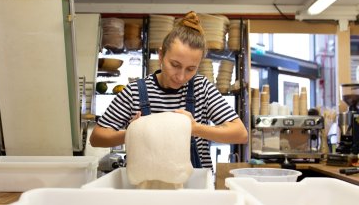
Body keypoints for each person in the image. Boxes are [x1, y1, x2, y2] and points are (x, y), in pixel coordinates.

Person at [90, 11, 248, 169]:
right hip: (147, 186)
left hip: (193, 187)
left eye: (190, 69)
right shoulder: (135, 91)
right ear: (161, 55)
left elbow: (240, 134)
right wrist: (133, 133)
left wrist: (195, 128)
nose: (180, 76)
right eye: (175, 65)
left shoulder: (201, 88)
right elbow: (97, 138)